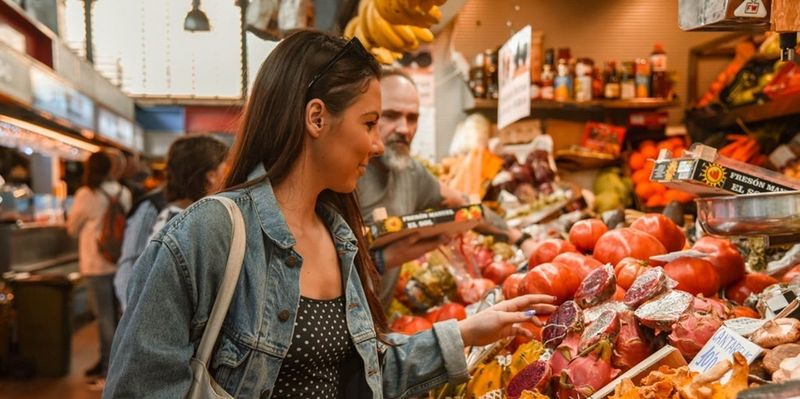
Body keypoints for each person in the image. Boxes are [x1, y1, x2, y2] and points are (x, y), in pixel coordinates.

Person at [104, 31, 554, 399]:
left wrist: (468, 332)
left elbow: (361, 372)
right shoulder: (207, 234)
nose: (378, 143)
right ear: (317, 118)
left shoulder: (338, 236)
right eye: (370, 122)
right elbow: (138, 388)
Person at [358, 69, 535, 307]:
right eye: (391, 115)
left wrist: (519, 238)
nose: (404, 129)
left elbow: (463, 206)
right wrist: (383, 260)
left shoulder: (410, 172)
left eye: (412, 118)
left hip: (376, 321)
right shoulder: (345, 175)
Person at [113, 135, 228, 312]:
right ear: (210, 175)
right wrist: (135, 316)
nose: (229, 173)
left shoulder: (205, 215)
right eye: (225, 167)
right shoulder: (154, 208)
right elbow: (130, 265)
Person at [66, 150, 132, 389]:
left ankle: (108, 371)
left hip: (96, 264)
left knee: (104, 317)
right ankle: (108, 362)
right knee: (117, 316)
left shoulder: (86, 193)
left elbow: (72, 227)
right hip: (119, 261)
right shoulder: (124, 192)